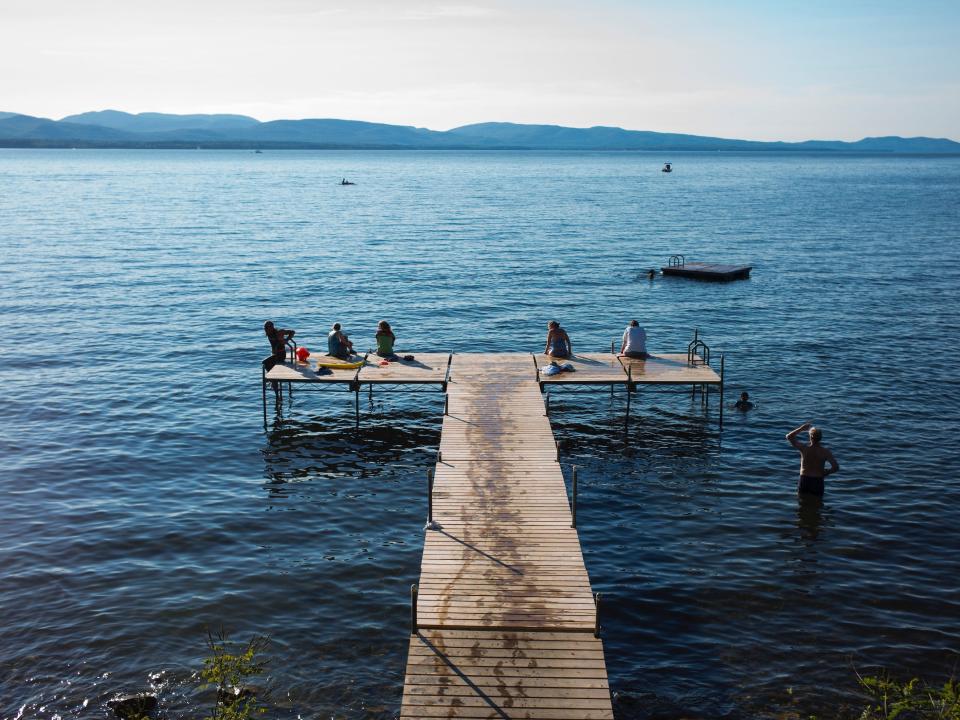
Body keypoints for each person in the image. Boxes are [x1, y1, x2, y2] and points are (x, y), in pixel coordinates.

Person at [786, 422, 839, 497]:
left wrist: (801, 429)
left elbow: (789, 437)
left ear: (810, 437)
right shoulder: (825, 452)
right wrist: (826, 473)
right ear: (821, 438)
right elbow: (836, 467)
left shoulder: (804, 449)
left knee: (802, 505)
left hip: (804, 479)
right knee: (817, 504)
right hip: (817, 480)